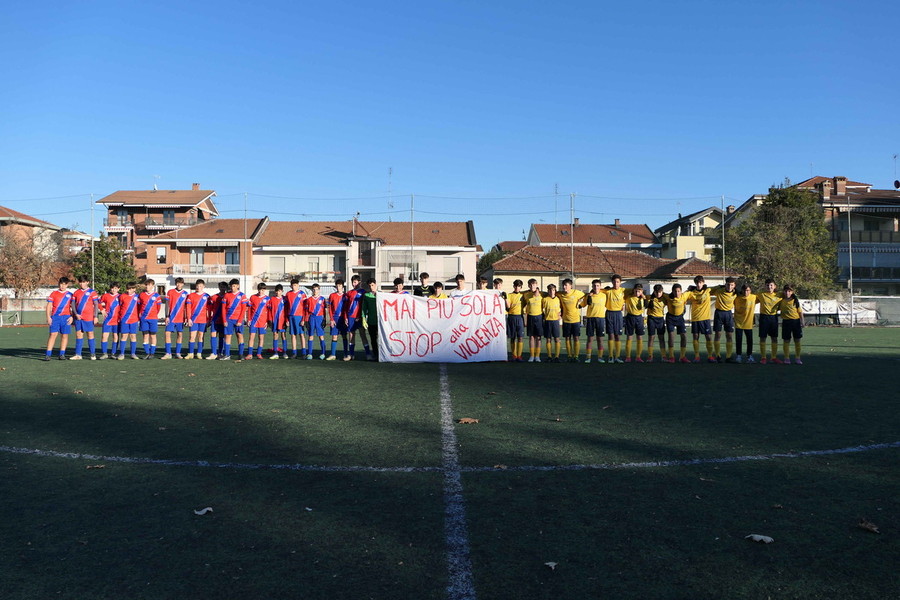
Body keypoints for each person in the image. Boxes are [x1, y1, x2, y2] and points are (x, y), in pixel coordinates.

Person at [684, 275, 715, 363]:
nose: (699, 285)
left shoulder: (708, 291)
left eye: (700, 283)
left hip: (705, 318)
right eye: (697, 283)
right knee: (695, 337)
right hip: (695, 319)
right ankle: (697, 356)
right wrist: (688, 289)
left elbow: (719, 288)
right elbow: (682, 297)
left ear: (703, 282)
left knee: (708, 337)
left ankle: (710, 356)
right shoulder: (691, 293)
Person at [342, 274, 373, 361]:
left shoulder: (364, 292)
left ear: (359, 282)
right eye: (353, 282)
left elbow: (366, 305)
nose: (354, 284)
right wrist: (345, 317)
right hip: (350, 317)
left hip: (360, 317)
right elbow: (345, 307)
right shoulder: (349, 293)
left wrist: (363, 316)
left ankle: (368, 354)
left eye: (355, 282)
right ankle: (351, 355)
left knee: (363, 335)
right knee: (351, 335)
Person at [44, 277, 74, 361]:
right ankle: (48, 354)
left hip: (66, 318)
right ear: (59, 284)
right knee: (53, 335)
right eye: (61, 284)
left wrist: (72, 316)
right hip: (55, 317)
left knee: (64, 335)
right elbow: (49, 306)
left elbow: (73, 307)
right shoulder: (54, 293)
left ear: (67, 285)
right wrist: (48, 317)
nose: (63, 286)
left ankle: (62, 354)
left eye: (64, 284)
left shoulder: (70, 295)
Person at [70, 276, 100, 360]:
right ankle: (78, 354)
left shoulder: (92, 292)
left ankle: (93, 354)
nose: (81, 284)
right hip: (78, 317)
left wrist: (96, 316)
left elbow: (96, 304)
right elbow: (72, 304)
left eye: (83, 282)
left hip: (88, 317)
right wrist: (76, 314)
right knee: (79, 334)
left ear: (87, 282)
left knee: (90, 334)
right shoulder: (76, 292)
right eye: (80, 282)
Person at [219, 278, 248, 360]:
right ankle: (227, 354)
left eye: (234, 286)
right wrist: (224, 320)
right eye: (231, 286)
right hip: (229, 320)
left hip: (238, 319)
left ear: (238, 286)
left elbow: (244, 309)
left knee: (240, 335)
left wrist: (240, 320)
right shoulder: (226, 295)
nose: (232, 288)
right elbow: (223, 309)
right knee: (227, 336)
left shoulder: (242, 295)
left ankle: (241, 354)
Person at [711, 277, 738, 363]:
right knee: (718, 335)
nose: (729, 286)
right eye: (728, 284)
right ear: (725, 284)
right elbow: (709, 290)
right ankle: (717, 355)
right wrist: (719, 286)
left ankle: (728, 356)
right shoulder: (719, 291)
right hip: (719, 313)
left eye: (731, 285)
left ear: (734, 285)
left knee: (729, 335)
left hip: (728, 314)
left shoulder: (735, 293)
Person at [557, 278, 585, 362]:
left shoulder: (577, 293)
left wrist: (581, 304)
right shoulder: (561, 294)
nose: (564, 287)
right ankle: (569, 356)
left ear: (571, 286)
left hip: (576, 320)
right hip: (566, 320)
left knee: (576, 338)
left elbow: (586, 296)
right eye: (563, 285)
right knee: (567, 338)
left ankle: (576, 356)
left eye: (566, 285)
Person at [580, 280, 607, 363]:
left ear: (600, 286)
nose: (596, 287)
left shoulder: (604, 296)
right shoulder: (589, 296)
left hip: (600, 319)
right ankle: (588, 357)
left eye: (598, 285)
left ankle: (600, 357)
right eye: (594, 285)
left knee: (600, 339)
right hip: (591, 319)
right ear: (592, 287)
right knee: (590, 339)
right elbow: (581, 305)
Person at [161, 277, 189, 359]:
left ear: (183, 284)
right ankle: (168, 353)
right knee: (167, 333)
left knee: (180, 334)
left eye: (180, 283)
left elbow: (187, 307)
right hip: (171, 318)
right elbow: (167, 304)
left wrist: (187, 317)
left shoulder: (186, 294)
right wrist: (167, 316)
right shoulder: (170, 292)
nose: (179, 284)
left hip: (180, 318)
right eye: (177, 283)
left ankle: (178, 353)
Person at [757, 279, 783, 364]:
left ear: (775, 286)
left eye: (771, 285)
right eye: (767, 285)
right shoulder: (761, 295)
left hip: (773, 318)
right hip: (764, 318)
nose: (769, 287)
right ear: (765, 286)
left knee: (774, 338)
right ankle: (763, 357)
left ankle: (774, 357)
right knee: (763, 337)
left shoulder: (779, 295)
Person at [185, 279, 211, 359]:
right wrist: (188, 318)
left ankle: (199, 353)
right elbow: (188, 308)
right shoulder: (191, 296)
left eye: (200, 286)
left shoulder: (207, 296)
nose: (199, 287)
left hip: (203, 320)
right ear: (195, 286)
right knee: (192, 336)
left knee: (201, 336)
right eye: (197, 286)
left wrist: (209, 319)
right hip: (193, 320)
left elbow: (209, 309)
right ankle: (190, 353)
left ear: (203, 287)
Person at [779, 285, 804, 365]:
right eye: (786, 291)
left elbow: (800, 312)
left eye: (789, 291)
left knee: (797, 340)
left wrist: (802, 321)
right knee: (786, 340)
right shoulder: (781, 300)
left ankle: (798, 358)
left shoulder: (795, 300)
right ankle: (786, 358)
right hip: (786, 322)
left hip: (795, 322)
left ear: (792, 292)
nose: (787, 293)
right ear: (783, 291)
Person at [733, 283, 758, 363]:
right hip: (738, 322)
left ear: (750, 291)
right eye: (744, 290)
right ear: (742, 290)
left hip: (748, 323)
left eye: (748, 290)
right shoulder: (736, 298)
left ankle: (749, 356)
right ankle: (738, 356)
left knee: (749, 340)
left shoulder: (754, 297)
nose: (746, 292)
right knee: (739, 340)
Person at [664, 284, 689, 363]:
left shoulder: (684, 296)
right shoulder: (668, 297)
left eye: (678, 291)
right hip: (670, 318)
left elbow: (691, 291)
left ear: (681, 291)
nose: (677, 293)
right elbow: (659, 293)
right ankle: (671, 357)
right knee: (671, 336)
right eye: (675, 291)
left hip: (680, 318)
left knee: (684, 336)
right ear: (672, 291)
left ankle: (682, 356)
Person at [604, 275, 626, 363]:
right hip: (609, 313)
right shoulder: (608, 291)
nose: (616, 283)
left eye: (617, 282)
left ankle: (617, 356)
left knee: (618, 335)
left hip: (618, 314)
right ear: (612, 282)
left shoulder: (624, 291)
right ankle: (610, 356)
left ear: (620, 282)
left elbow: (636, 291)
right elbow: (597, 290)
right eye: (614, 282)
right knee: (611, 335)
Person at [116, 282, 141, 360]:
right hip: (124, 320)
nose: (129, 290)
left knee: (133, 336)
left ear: (134, 289)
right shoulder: (122, 296)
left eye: (131, 289)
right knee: (124, 336)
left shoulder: (137, 297)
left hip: (134, 320)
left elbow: (140, 307)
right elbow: (119, 307)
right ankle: (122, 354)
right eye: (128, 289)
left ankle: (133, 354)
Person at [138, 279, 162, 359]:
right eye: (146, 285)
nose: (147, 287)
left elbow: (158, 307)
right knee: (145, 335)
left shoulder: (156, 296)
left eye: (149, 285)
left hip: (153, 319)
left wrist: (154, 314)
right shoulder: (141, 295)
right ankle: (147, 353)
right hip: (144, 319)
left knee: (153, 336)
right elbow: (138, 306)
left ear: (152, 286)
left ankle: (152, 353)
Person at [244, 283, 269, 360]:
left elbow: (268, 311)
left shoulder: (267, 299)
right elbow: (249, 310)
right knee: (251, 337)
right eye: (260, 290)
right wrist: (248, 319)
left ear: (264, 290)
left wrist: (267, 321)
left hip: (262, 321)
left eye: (262, 290)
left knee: (261, 338)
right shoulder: (253, 297)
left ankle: (259, 353)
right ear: (257, 290)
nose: (261, 292)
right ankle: (250, 354)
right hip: (254, 321)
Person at [623, 283, 647, 362]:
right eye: (636, 291)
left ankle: (638, 356)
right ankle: (628, 356)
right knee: (629, 336)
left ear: (642, 291)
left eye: (639, 291)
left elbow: (646, 305)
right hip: (630, 317)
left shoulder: (643, 298)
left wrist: (644, 297)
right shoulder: (629, 297)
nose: (637, 293)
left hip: (639, 318)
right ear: (633, 290)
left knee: (639, 337)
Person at [523, 279, 545, 362]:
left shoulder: (542, 294)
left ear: (537, 285)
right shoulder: (526, 295)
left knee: (538, 337)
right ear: (528, 286)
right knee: (531, 337)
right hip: (530, 317)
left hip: (539, 317)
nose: (532, 287)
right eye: (531, 285)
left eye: (534, 285)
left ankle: (537, 356)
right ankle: (532, 355)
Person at [285, 278, 308, 359]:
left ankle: (304, 352)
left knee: (301, 334)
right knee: (293, 335)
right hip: (291, 316)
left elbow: (305, 308)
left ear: (298, 285)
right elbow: (286, 307)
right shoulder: (288, 294)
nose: (294, 287)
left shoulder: (302, 294)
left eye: (296, 285)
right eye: (293, 285)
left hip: (300, 317)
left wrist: (304, 319)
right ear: (290, 286)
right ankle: (294, 352)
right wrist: (287, 319)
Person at [98, 282, 121, 360]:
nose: (113, 290)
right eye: (112, 288)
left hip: (117, 321)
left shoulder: (120, 297)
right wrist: (102, 310)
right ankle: (104, 353)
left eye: (115, 288)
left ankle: (113, 353)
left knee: (115, 337)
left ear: (118, 289)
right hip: (108, 320)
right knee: (104, 336)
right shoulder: (106, 296)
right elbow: (98, 302)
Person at [304, 283, 328, 359]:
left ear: (319, 290)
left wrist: (325, 320)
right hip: (312, 318)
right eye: (314, 289)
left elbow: (325, 311)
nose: (315, 291)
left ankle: (323, 353)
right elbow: (307, 311)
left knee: (321, 336)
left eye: (317, 289)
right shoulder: (309, 300)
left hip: (319, 318)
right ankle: (310, 353)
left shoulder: (322, 299)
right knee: (310, 336)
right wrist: (306, 320)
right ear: (312, 290)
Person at [206, 281, 228, 360]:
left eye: (224, 287)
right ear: (219, 287)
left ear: (226, 288)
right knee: (213, 335)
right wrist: (209, 319)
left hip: (223, 320)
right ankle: (213, 353)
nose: (222, 288)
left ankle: (220, 353)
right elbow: (209, 309)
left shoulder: (228, 296)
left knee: (222, 337)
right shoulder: (213, 297)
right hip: (215, 319)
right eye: (221, 287)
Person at [645, 284, 667, 363]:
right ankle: (650, 356)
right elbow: (641, 294)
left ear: (662, 292)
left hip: (660, 319)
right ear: (654, 292)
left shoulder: (664, 299)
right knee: (651, 337)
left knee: (661, 338)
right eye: (656, 292)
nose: (658, 294)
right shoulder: (649, 298)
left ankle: (664, 356)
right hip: (651, 319)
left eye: (660, 292)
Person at [326, 278, 347, 360]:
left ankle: (346, 354)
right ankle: (333, 354)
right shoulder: (332, 295)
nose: (338, 287)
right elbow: (330, 308)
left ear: (342, 286)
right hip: (334, 319)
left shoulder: (345, 296)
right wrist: (331, 319)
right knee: (334, 336)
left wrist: (345, 318)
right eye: (337, 285)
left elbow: (346, 308)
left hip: (343, 319)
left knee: (344, 336)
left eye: (340, 285)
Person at [542, 283, 562, 362]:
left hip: (555, 321)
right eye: (550, 290)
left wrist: (560, 314)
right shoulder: (545, 299)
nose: (551, 292)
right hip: (547, 321)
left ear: (555, 291)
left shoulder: (558, 299)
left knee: (557, 339)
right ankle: (549, 356)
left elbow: (562, 308)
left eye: (553, 290)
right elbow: (541, 309)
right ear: (548, 291)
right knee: (548, 339)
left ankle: (557, 356)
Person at [505, 279, 525, 362]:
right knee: (512, 337)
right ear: (513, 286)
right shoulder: (509, 295)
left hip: (520, 317)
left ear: (521, 287)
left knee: (520, 337)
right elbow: (508, 306)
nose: (517, 288)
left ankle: (519, 356)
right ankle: (514, 355)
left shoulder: (523, 295)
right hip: (511, 317)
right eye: (516, 286)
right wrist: (505, 299)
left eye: (519, 286)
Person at [361, 278, 379, 361]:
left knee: (382, 339)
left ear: (376, 284)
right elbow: (364, 308)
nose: (371, 287)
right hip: (371, 321)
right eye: (369, 286)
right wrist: (363, 318)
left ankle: (383, 354)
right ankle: (376, 354)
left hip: (381, 322)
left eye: (372, 285)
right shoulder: (366, 295)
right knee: (373, 339)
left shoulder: (381, 295)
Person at [268, 284, 287, 359]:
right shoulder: (272, 299)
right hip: (275, 320)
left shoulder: (285, 299)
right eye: (276, 291)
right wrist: (270, 319)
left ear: (282, 291)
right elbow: (269, 310)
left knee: (283, 335)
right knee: (275, 335)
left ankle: (285, 353)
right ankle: (275, 353)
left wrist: (287, 320)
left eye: (279, 291)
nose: (278, 293)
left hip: (282, 320)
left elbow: (287, 310)